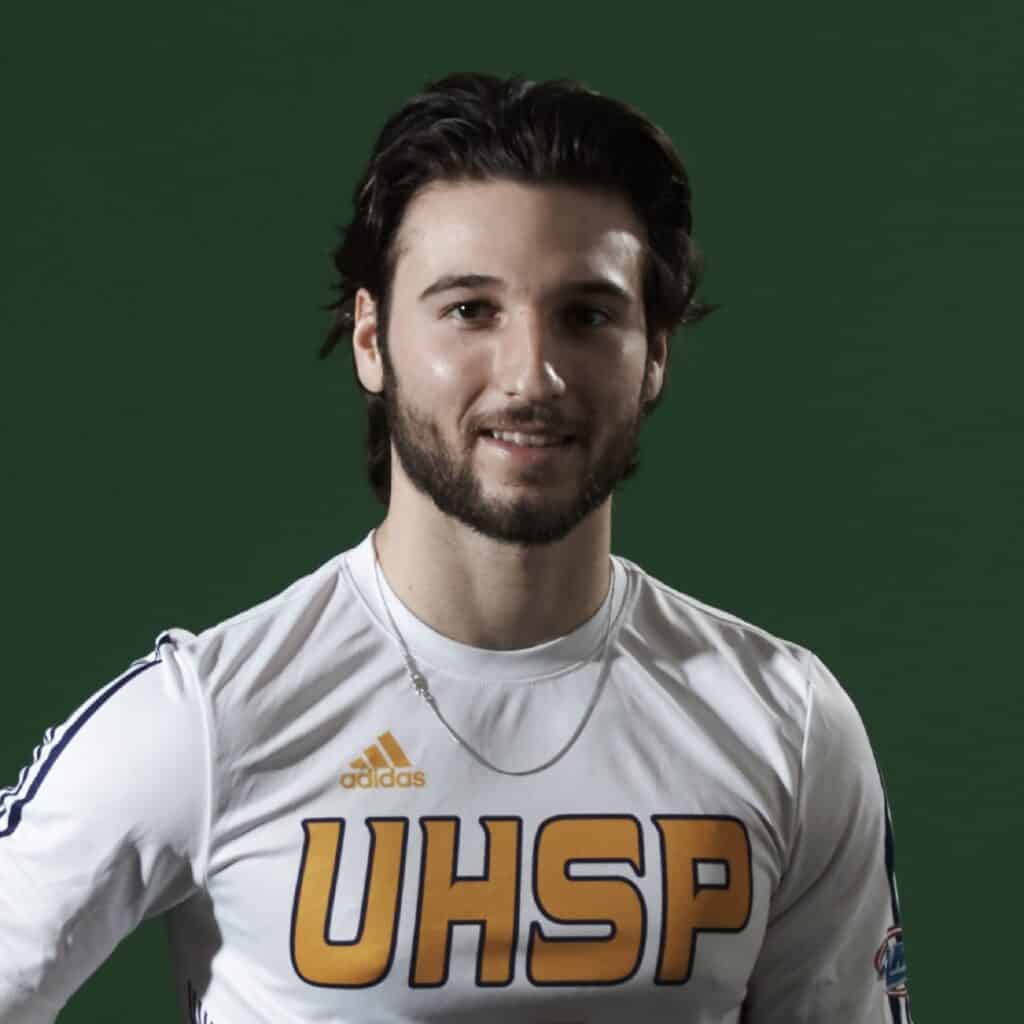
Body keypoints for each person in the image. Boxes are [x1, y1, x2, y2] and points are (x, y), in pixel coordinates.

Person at [0, 72, 912, 1023]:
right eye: (470, 309)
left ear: (656, 357)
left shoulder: (787, 726)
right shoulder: (210, 720)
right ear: (371, 338)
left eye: (588, 314)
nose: (532, 375)